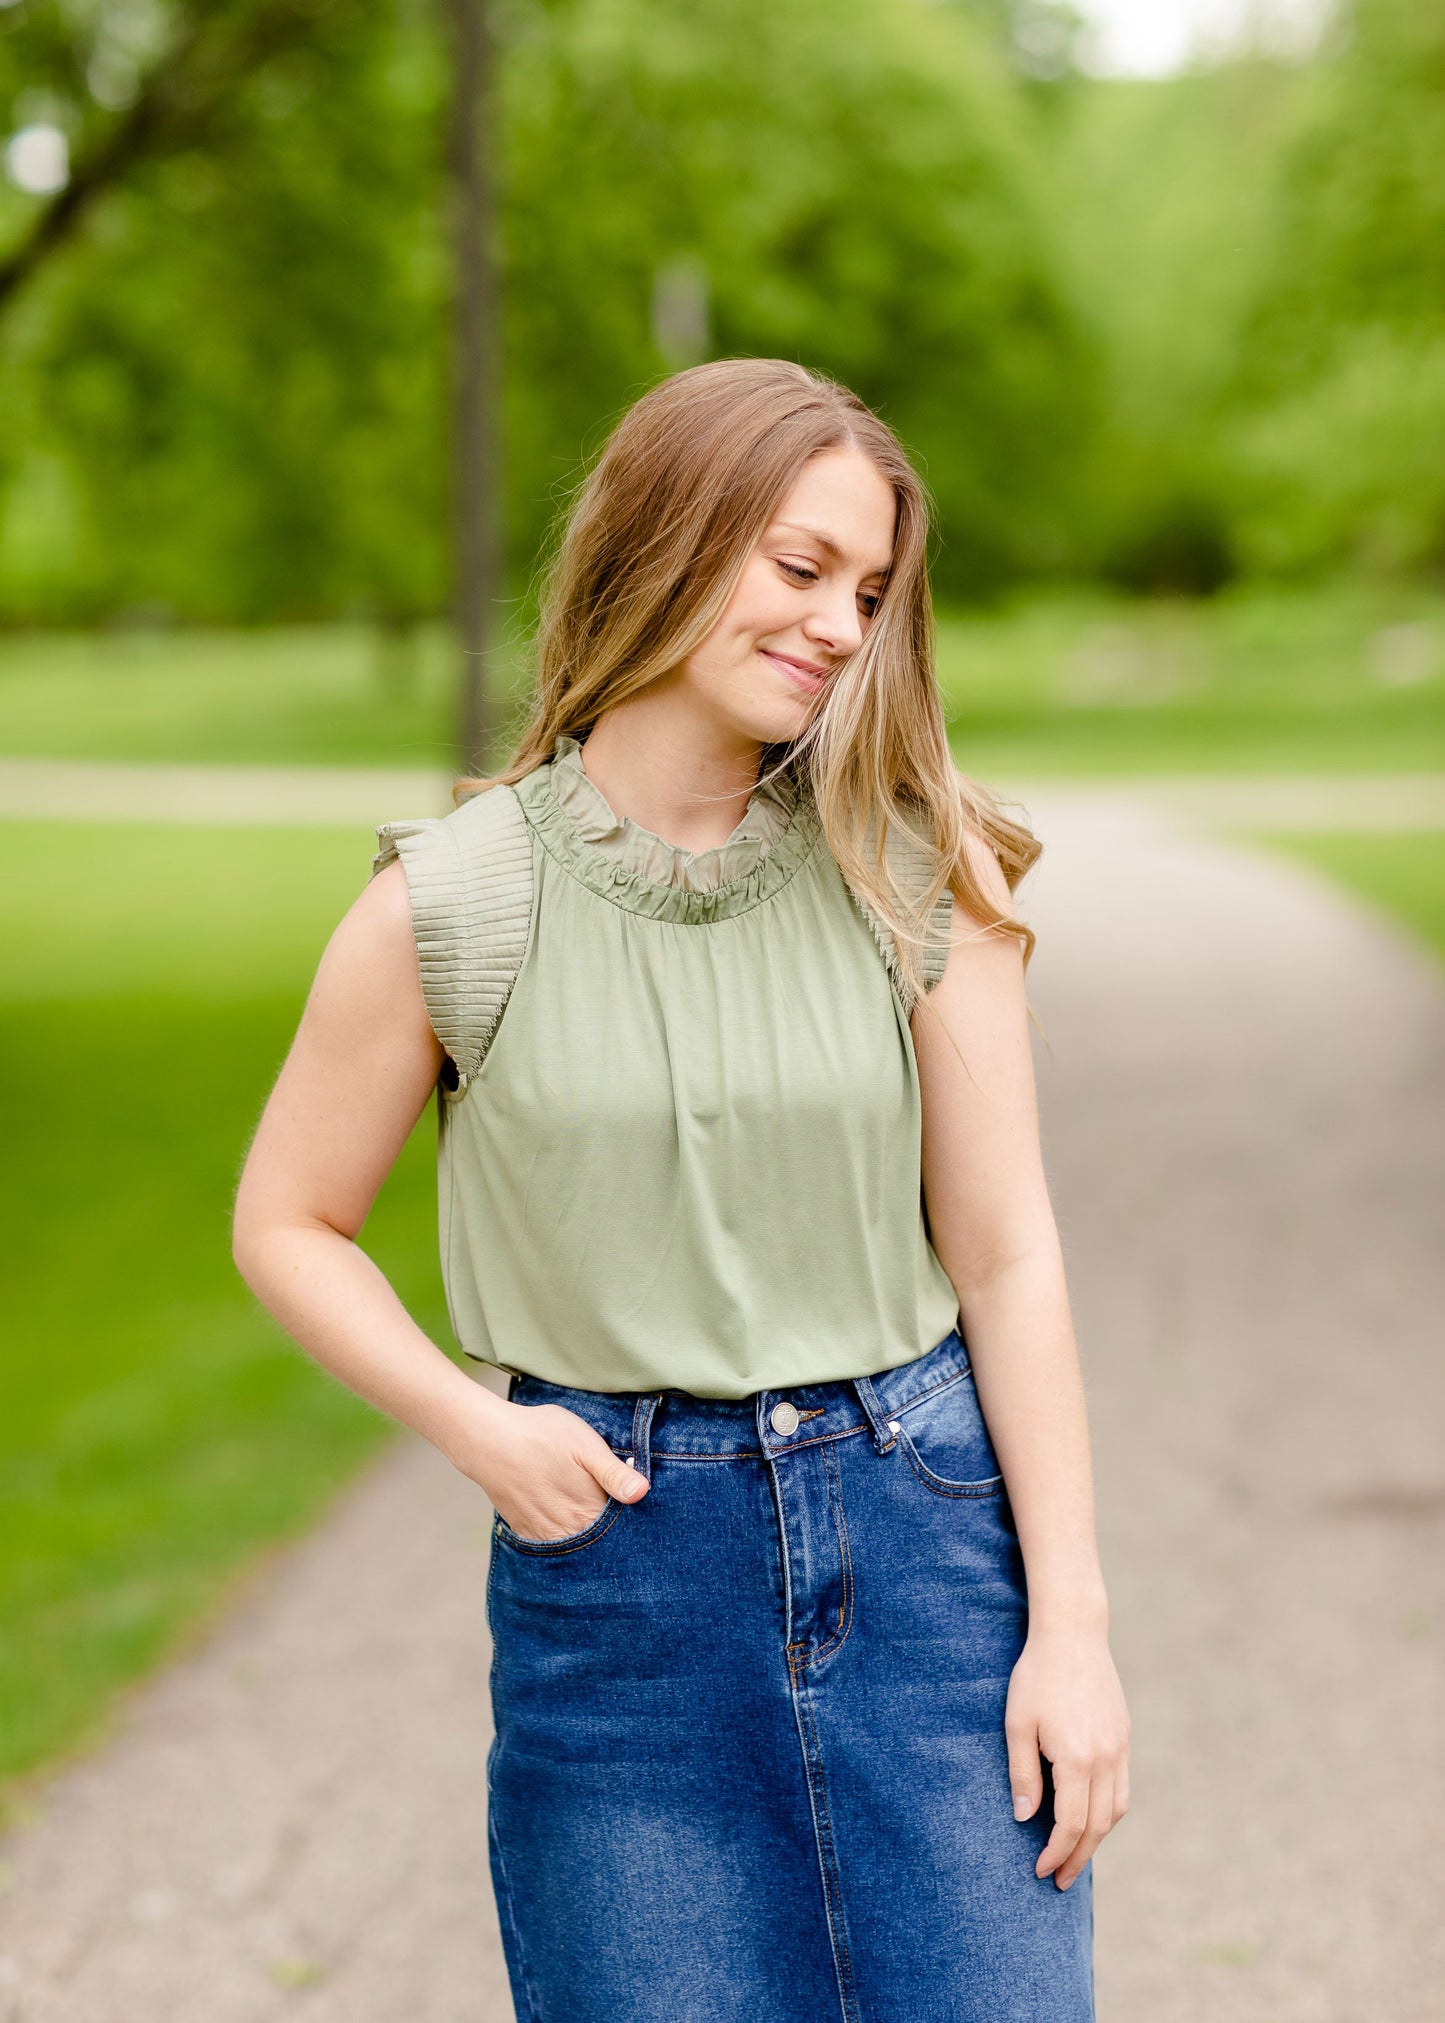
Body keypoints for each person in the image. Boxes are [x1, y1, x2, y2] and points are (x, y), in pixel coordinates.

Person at [232, 357, 1129, 2022]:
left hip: (924, 1552)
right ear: (665, 537)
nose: (840, 625)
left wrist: (1068, 1632)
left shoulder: (913, 862)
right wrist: (477, 1427)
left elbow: (1007, 1260)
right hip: (624, 1591)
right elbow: (287, 1221)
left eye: (867, 591)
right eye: (799, 569)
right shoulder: (457, 903)